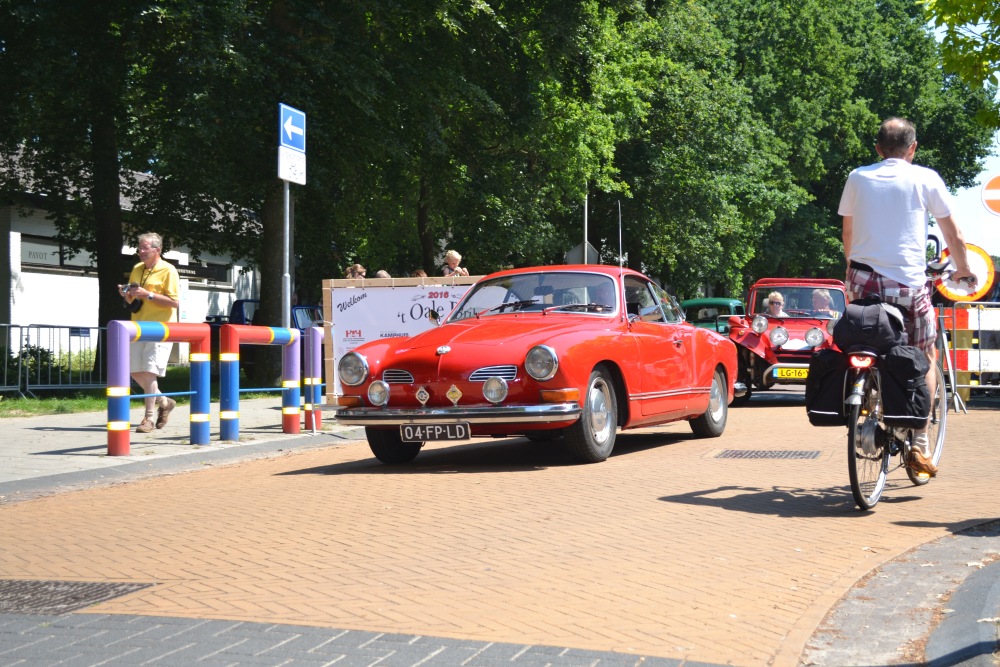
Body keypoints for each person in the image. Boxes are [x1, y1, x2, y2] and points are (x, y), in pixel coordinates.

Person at [839, 117, 978, 477]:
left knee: (869, 339)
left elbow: (848, 233)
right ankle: (919, 440)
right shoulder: (925, 178)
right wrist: (963, 269)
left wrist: (851, 271)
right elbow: (954, 234)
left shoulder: (857, 176)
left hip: (862, 281)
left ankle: (868, 394)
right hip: (909, 286)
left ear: (877, 148)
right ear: (912, 148)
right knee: (925, 354)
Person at [118, 232, 181, 434]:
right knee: (134, 370)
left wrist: (149, 294)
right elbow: (133, 300)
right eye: (140, 247)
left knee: (149, 370)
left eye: (145, 248)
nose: (141, 252)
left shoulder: (168, 270)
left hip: (160, 328)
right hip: (138, 327)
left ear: (157, 250)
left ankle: (149, 418)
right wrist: (127, 295)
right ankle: (165, 402)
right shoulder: (137, 268)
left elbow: (174, 302)